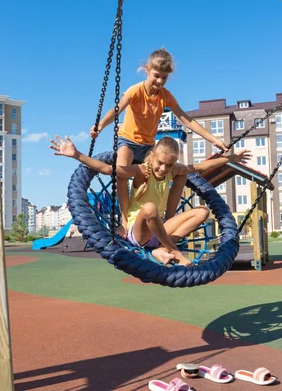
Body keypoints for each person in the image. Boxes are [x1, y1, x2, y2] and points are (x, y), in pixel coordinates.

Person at [90, 48, 229, 239]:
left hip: (149, 146)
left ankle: (168, 219)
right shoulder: (135, 91)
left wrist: (214, 140)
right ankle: (123, 221)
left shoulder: (165, 96)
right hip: (128, 141)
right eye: (156, 76)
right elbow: (117, 111)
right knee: (121, 170)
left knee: (178, 172)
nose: (159, 81)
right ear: (146, 70)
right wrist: (100, 126)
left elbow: (186, 120)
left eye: (164, 77)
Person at [51, 135, 251, 267]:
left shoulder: (173, 171)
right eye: (160, 163)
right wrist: (76, 155)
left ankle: (162, 249)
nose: (163, 169)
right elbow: (110, 170)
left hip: (160, 230)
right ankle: (172, 250)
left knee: (202, 212)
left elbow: (200, 167)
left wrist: (230, 158)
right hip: (139, 231)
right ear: (152, 156)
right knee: (149, 208)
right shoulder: (142, 171)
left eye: (169, 164)